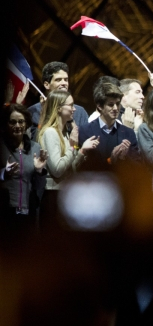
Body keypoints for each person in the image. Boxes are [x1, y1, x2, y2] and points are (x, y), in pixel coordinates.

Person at [38, 90, 99, 227]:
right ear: (59, 108)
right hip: (53, 196)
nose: (74, 109)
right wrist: (72, 148)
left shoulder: (65, 133)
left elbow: (70, 167)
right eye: (71, 105)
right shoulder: (50, 133)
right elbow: (57, 169)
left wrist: (82, 150)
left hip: (64, 194)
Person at [0, 104, 47, 231]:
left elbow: (39, 186)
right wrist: (4, 173)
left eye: (21, 122)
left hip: (28, 211)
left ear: (26, 124)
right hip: (5, 212)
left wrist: (39, 171)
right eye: (12, 122)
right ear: (6, 125)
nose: (17, 126)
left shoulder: (35, 148)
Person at [78, 83, 139, 165]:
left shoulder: (128, 133)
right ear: (99, 106)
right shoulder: (85, 131)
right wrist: (110, 160)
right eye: (111, 105)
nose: (115, 108)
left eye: (117, 104)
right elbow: (81, 166)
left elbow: (138, 165)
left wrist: (125, 157)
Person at [28, 61, 89, 141]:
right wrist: (43, 115)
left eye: (66, 80)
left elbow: (84, 143)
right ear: (47, 85)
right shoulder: (33, 112)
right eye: (58, 80)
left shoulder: (80, 112)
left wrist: (74, 146)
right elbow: (34, 142)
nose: (64, 83)